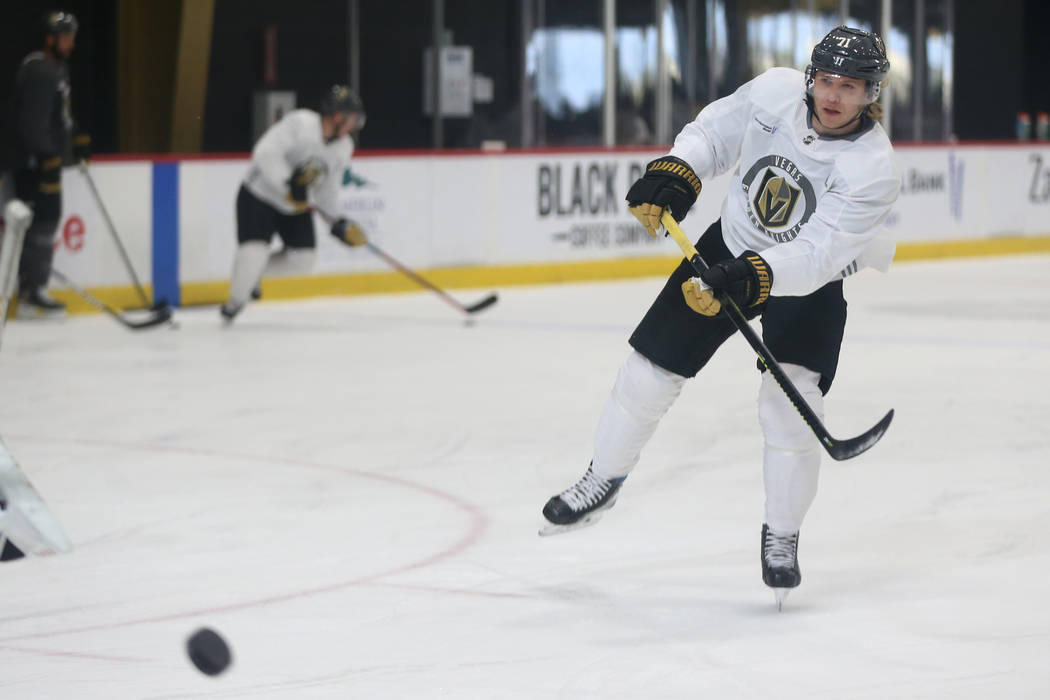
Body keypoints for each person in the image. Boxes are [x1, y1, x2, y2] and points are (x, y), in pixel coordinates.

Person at [540, 26, 899, 607]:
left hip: (806, 284)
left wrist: (751, 276)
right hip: (727, 247)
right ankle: (602, 478)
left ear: (871, 93)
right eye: (827, 81)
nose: (834, 96)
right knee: (649, 370)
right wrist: (678, 170)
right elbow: (713, 134)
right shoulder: (775, 94)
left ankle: (781, 536)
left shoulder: (872, 167)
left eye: (850, 86)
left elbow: (816, 257)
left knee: (790, 407)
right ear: (811, 78)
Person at [221, 85, 369, 322]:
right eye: (353, 118)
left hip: (293, 206)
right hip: (259, 195)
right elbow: (265, 152)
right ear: (337, 116)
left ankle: (252, 276)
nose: (356, 125)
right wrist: (287, 184)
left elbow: (326, 190)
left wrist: (337, 221)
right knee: (253, 252)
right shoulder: (300, 123)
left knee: (303, 258)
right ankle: (235, 302)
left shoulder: (343, 147)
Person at [6, 11, 89, 318]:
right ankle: (31, 291)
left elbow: (59, 116)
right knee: (41, 220)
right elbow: (31, 121)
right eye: (65, 37)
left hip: (47, 160)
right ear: (50, 39)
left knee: (45, 219)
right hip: (34, 164)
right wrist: (46, 155)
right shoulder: (39, 69)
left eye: (72, 37)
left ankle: (32, 288)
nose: (71, 43)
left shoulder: (58, 69)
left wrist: (76, 138)